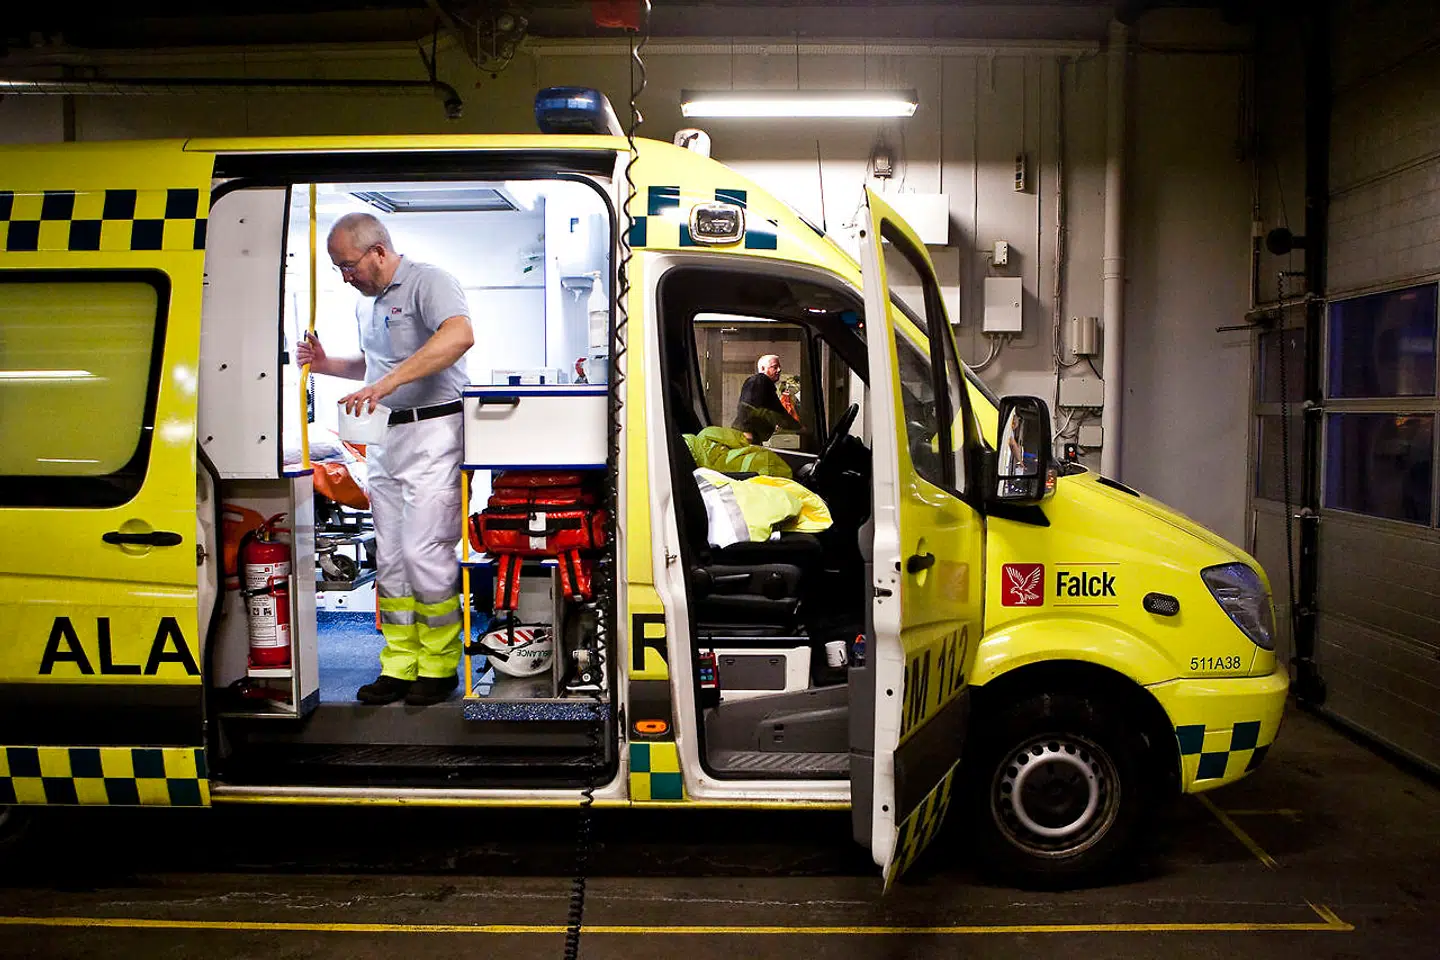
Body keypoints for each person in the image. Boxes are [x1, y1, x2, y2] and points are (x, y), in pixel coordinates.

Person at [297, 212, 475, 706]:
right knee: (392, 558)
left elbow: (459, 336)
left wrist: (387, 383)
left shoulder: (429, 282)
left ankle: (439, 667)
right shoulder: (367, 305)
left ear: (378, 251)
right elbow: (377, 365)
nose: (345, 276)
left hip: (434, 434)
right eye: (337, 269)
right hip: (384, 439)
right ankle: (399, 665)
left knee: (425, 552)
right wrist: (330, 365)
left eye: (348, 265)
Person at [733, 354, 802, 445]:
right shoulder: (761, 380)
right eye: (774, 367)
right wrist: (799, 428)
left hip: (749, 436)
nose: (779, 370)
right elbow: (746, 407)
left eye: (779, 367)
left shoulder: (758, 382)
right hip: (748, 437)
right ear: (762, 368)